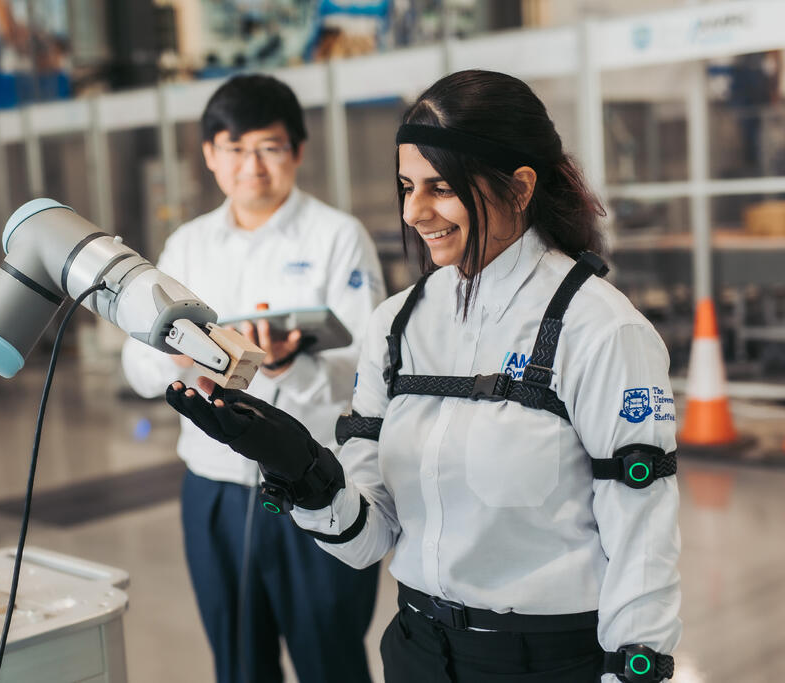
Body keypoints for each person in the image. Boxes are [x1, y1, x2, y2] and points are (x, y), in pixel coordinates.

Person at [166, 69, 681, 683]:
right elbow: (366, 539)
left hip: (546, 661)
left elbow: (642, 533)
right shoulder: (396, 326)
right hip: (416, 653)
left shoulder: (599, 329)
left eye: (440, 187)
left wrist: (633, 671)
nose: (413, 212)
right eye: (407, 186)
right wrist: (302, 469)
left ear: (519, 188)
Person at [121, 74, 384, 683]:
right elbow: (137, 368)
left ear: (296, 150)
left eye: (268, 147)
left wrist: (293, 364)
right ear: (210, 155)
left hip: (318, 480)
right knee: (239, 664)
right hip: (214, 489)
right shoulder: (186, 246)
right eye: (234, 149)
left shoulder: (337, 238)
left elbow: (372, 367)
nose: (252, 166)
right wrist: (178, 358)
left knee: (332, 660)